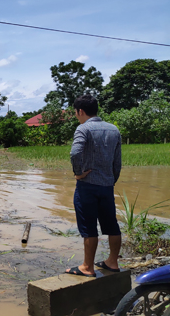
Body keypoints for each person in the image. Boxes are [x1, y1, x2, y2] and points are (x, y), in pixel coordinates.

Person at [65, 95, 122, 277]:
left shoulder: (83, 129)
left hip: (87, 185)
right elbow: (118, 161)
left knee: (89, 227)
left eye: (76, 112)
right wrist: (111, 179)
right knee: (111, 224)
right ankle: (112, 262)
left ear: (80, 111)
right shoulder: (114, 130)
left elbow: (75, 153)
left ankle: (87, 267)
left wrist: (78, 172)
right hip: (106, 185)